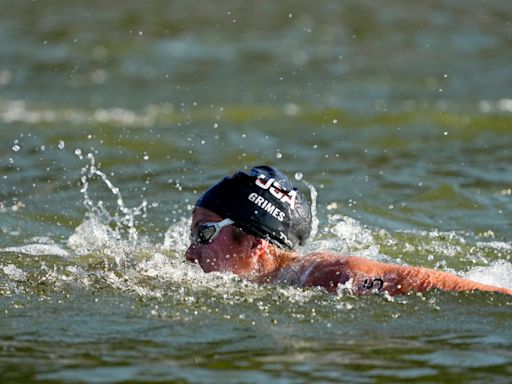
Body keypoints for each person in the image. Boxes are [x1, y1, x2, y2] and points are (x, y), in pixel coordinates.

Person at [185, 166, 512, 296]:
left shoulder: (330, 276)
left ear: (256, 245)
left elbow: (414, 280)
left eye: (204, 234)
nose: (189, 252)